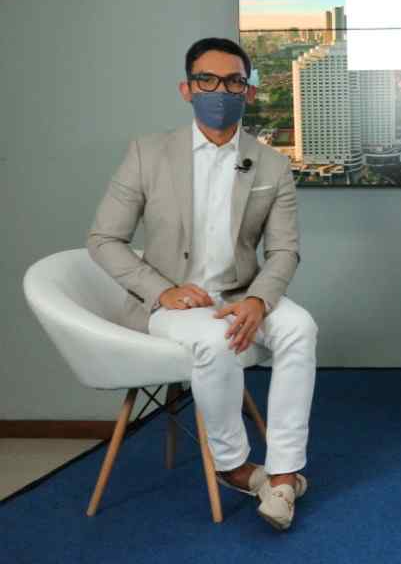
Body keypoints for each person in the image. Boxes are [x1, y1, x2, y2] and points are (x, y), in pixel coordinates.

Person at [87, 37, 316, 531]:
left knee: (300, 328)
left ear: (248, 91)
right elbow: (104, 239)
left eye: (233, 82)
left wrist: (259, 299)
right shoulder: (147, 154)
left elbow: (284, 251)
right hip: (172, 304)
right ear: (186, 89)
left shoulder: (271, 163)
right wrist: (160, 290)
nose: (220, 91)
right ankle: (233, 466)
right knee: (215, 340)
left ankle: (283, 472)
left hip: (241, 293)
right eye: (206, 80)